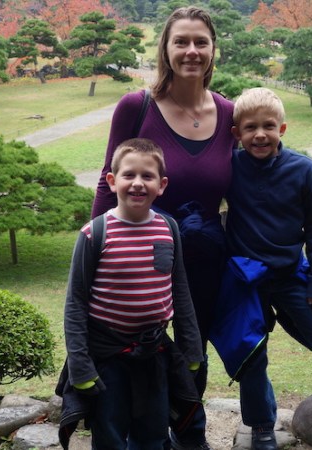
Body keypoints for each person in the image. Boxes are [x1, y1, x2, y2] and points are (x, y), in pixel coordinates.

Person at [91, 7, 234, 449]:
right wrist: (96, 250)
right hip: (140, 258)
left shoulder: (229, 112)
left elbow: (258, 172)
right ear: (166, 49)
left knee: (195, 352)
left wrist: (306, 208)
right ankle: (146, 437)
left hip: (206, 258)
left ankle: (189, 431)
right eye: (181, 42)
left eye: (200, 42)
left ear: (213, 50)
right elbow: (106, 177)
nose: (191, 51)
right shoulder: (138, 106)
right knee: (137, 354)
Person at [223, 88, 312, 450]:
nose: (260, 134)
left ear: (282, 128)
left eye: (268, 126)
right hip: (246, 280)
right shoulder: (228, 168)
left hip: (291, 275)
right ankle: (260, 425)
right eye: (250, 127)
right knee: (252, 354)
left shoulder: (303, 169)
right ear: (236, 133)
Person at [59, 138, 204, 450]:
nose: (138, 183)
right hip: (108, 357)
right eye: (129, 175)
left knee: (153, 432)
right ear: (112, 181)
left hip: (154, 354)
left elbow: (179, 292)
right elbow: (75, 303)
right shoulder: (94, 234)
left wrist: (191, 349)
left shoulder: (168, 228)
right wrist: (79, 366)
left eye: (147, 176)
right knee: (109, 431)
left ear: (161, 185)